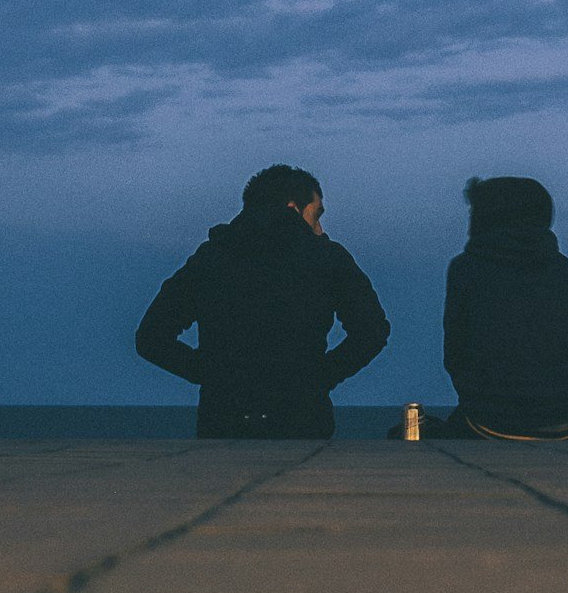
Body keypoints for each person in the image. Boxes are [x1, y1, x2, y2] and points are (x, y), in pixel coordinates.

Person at [136, 164, 391, 438]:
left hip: (223, 422)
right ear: (293, 207)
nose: (320, 228)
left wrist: (213, 374)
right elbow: (373, 331)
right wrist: (318, 378)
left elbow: (151, 337)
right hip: (302, 422)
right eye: (316, 216)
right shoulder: (326, 257)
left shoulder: (212, 258)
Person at [420, 175, 568, 440]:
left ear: (489, 217)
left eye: (474, 213)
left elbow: (455, 351)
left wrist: (478, 393)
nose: (469, 223)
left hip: (494, 418)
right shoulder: (565, 269)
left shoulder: (467, 268)